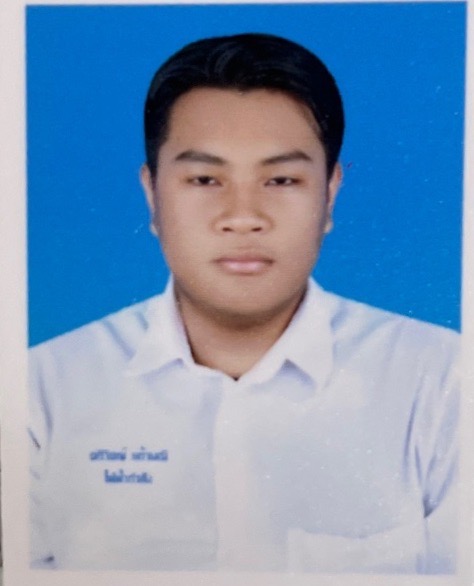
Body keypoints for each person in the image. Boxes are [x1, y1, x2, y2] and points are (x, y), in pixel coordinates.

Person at [28, 33, 459, 574]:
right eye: (205, 179)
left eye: (281, 179)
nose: (243, 216)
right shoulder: (38, 392)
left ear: (329, 194)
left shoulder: (443, 382)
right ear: (152, 194)